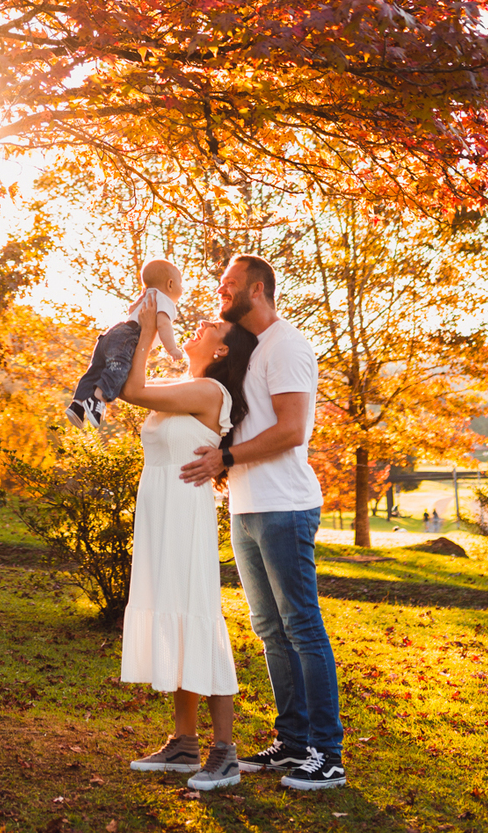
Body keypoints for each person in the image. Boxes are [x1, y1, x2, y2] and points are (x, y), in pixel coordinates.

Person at [181, 254, 345, 792]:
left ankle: (328, 753)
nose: (220, 291)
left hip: (285, 506)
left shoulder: (287, 346)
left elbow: (293, 430)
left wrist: (225, 461)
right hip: (247, 508)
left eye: (229, 285)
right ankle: (293, 742)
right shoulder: (248, 351)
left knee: (302, 627)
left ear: (258, 288)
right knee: (271, 630)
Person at [118, 295, 258, 792]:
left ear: (222, 353)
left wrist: (153, 330)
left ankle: (225, 752)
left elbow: (132, 388)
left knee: (197, 616)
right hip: (159, 510)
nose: (200, 324)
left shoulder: (209, 390)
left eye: (212, 327)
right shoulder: (187, 387)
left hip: (184, 515)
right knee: (176, 615)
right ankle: (184, 743)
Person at [65, 257, 185, 430]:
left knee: (96, 369)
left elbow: (131, 310)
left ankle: (77, 404)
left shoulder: (147, 295)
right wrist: (172, 348)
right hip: (129, 337)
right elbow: (163, 324)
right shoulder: (165, 299)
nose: (182, 288)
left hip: (114, 332)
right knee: (118, 369)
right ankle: (98, 399)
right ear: (170, 284)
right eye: (181, 283)